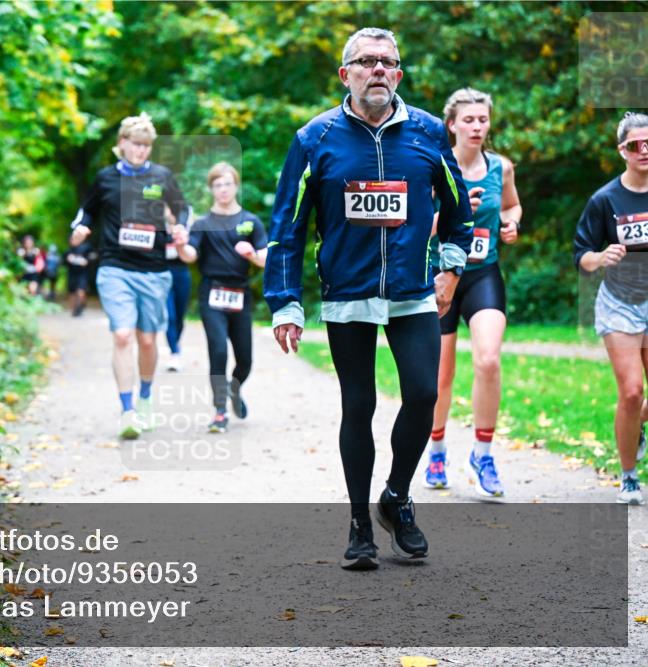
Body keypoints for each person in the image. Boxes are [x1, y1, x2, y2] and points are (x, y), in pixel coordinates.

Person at [263, 27, 474, 570]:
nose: (378, 69)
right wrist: (286, 302)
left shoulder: (428, 132)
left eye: (387, 61)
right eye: (366, 61)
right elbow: (287, 227)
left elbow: (459, 213)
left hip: (412, 290)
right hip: (347, 291)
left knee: (424, 395)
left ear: (398, 74)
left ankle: (396, 498)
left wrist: (451, 268)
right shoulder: (315, 138)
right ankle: (360, 524)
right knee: (358, 405)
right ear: (346, 74)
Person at [422, 89, 522, 499]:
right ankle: (436, 450)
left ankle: (483, 454)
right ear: (452, 125)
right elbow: (416, 226)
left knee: (488, 359)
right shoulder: (433, 165)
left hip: (483, 274)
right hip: (442, 276)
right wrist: (455, 211)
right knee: (440, 375)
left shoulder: (501, 167)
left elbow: (512, 206)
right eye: (469, 120)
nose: (477, 126)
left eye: (483, 119)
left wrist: (511, 224)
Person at [70, 112, 189, 440]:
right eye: (135, 144)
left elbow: (183, 208)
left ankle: (145, 399)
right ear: (122, 143)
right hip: (115, 268)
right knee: (122, 335)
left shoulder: (162, 176)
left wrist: (180, 227)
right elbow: (87, 211)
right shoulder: (105, 178)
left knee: (147, 340)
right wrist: (80, 229)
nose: (140, 150)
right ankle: (127, 410)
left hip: (153, 270)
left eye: (146, 146)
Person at [574, 111, 648, 505]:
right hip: (620, 304)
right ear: (622, 150)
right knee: (632, 392)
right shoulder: (605, 200)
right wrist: (601, 257)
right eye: (636, 144)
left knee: (637, 404)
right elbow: (581, 255)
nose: (644, 150)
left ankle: (633, 426)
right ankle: (629, 476)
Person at [174, 162, 267, 432]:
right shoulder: (202, 224)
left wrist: (251, 254)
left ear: (236, 186)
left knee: (245, 360)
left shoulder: (250, 222)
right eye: (217, 185)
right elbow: (190, 255)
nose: (223, 189)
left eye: (227, 184)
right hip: (212, 294)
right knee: (218, 350)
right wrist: (180, 246)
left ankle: (234, 388)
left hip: (240, 294)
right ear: (211, 189)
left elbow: (266, 259)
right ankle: (219, 411)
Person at [165, 205, 193, 372]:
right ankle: (174, 353)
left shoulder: (187, 217)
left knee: (180, 314)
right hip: (161, 270)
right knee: (169, 316)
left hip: (181, 270)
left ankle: (175, 344)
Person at [65, 240, 94, 316]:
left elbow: (92, 257)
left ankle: (79, 307)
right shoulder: (69, 250)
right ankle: (74, 309)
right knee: (72, 293)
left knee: (81, 291)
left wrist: (87, 262)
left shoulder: (87, 247)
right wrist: (68, 260)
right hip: (72, 274)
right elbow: (64, 262)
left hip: (82, 274)